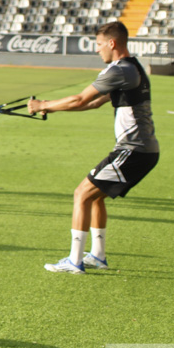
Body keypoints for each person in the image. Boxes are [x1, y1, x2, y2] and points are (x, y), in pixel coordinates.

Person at [28, 21, 160, 274]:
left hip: (134, 150)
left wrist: (43, 104)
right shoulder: (132, 68)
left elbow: (80, 98)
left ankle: (74, 261)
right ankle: (97, 256)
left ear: (112, 43)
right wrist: (50, 108)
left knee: (81, 194)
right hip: (139, 150)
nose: (97, 50)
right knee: (96, 196)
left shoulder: (119, 69)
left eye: (99, 45)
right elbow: (90, 104)